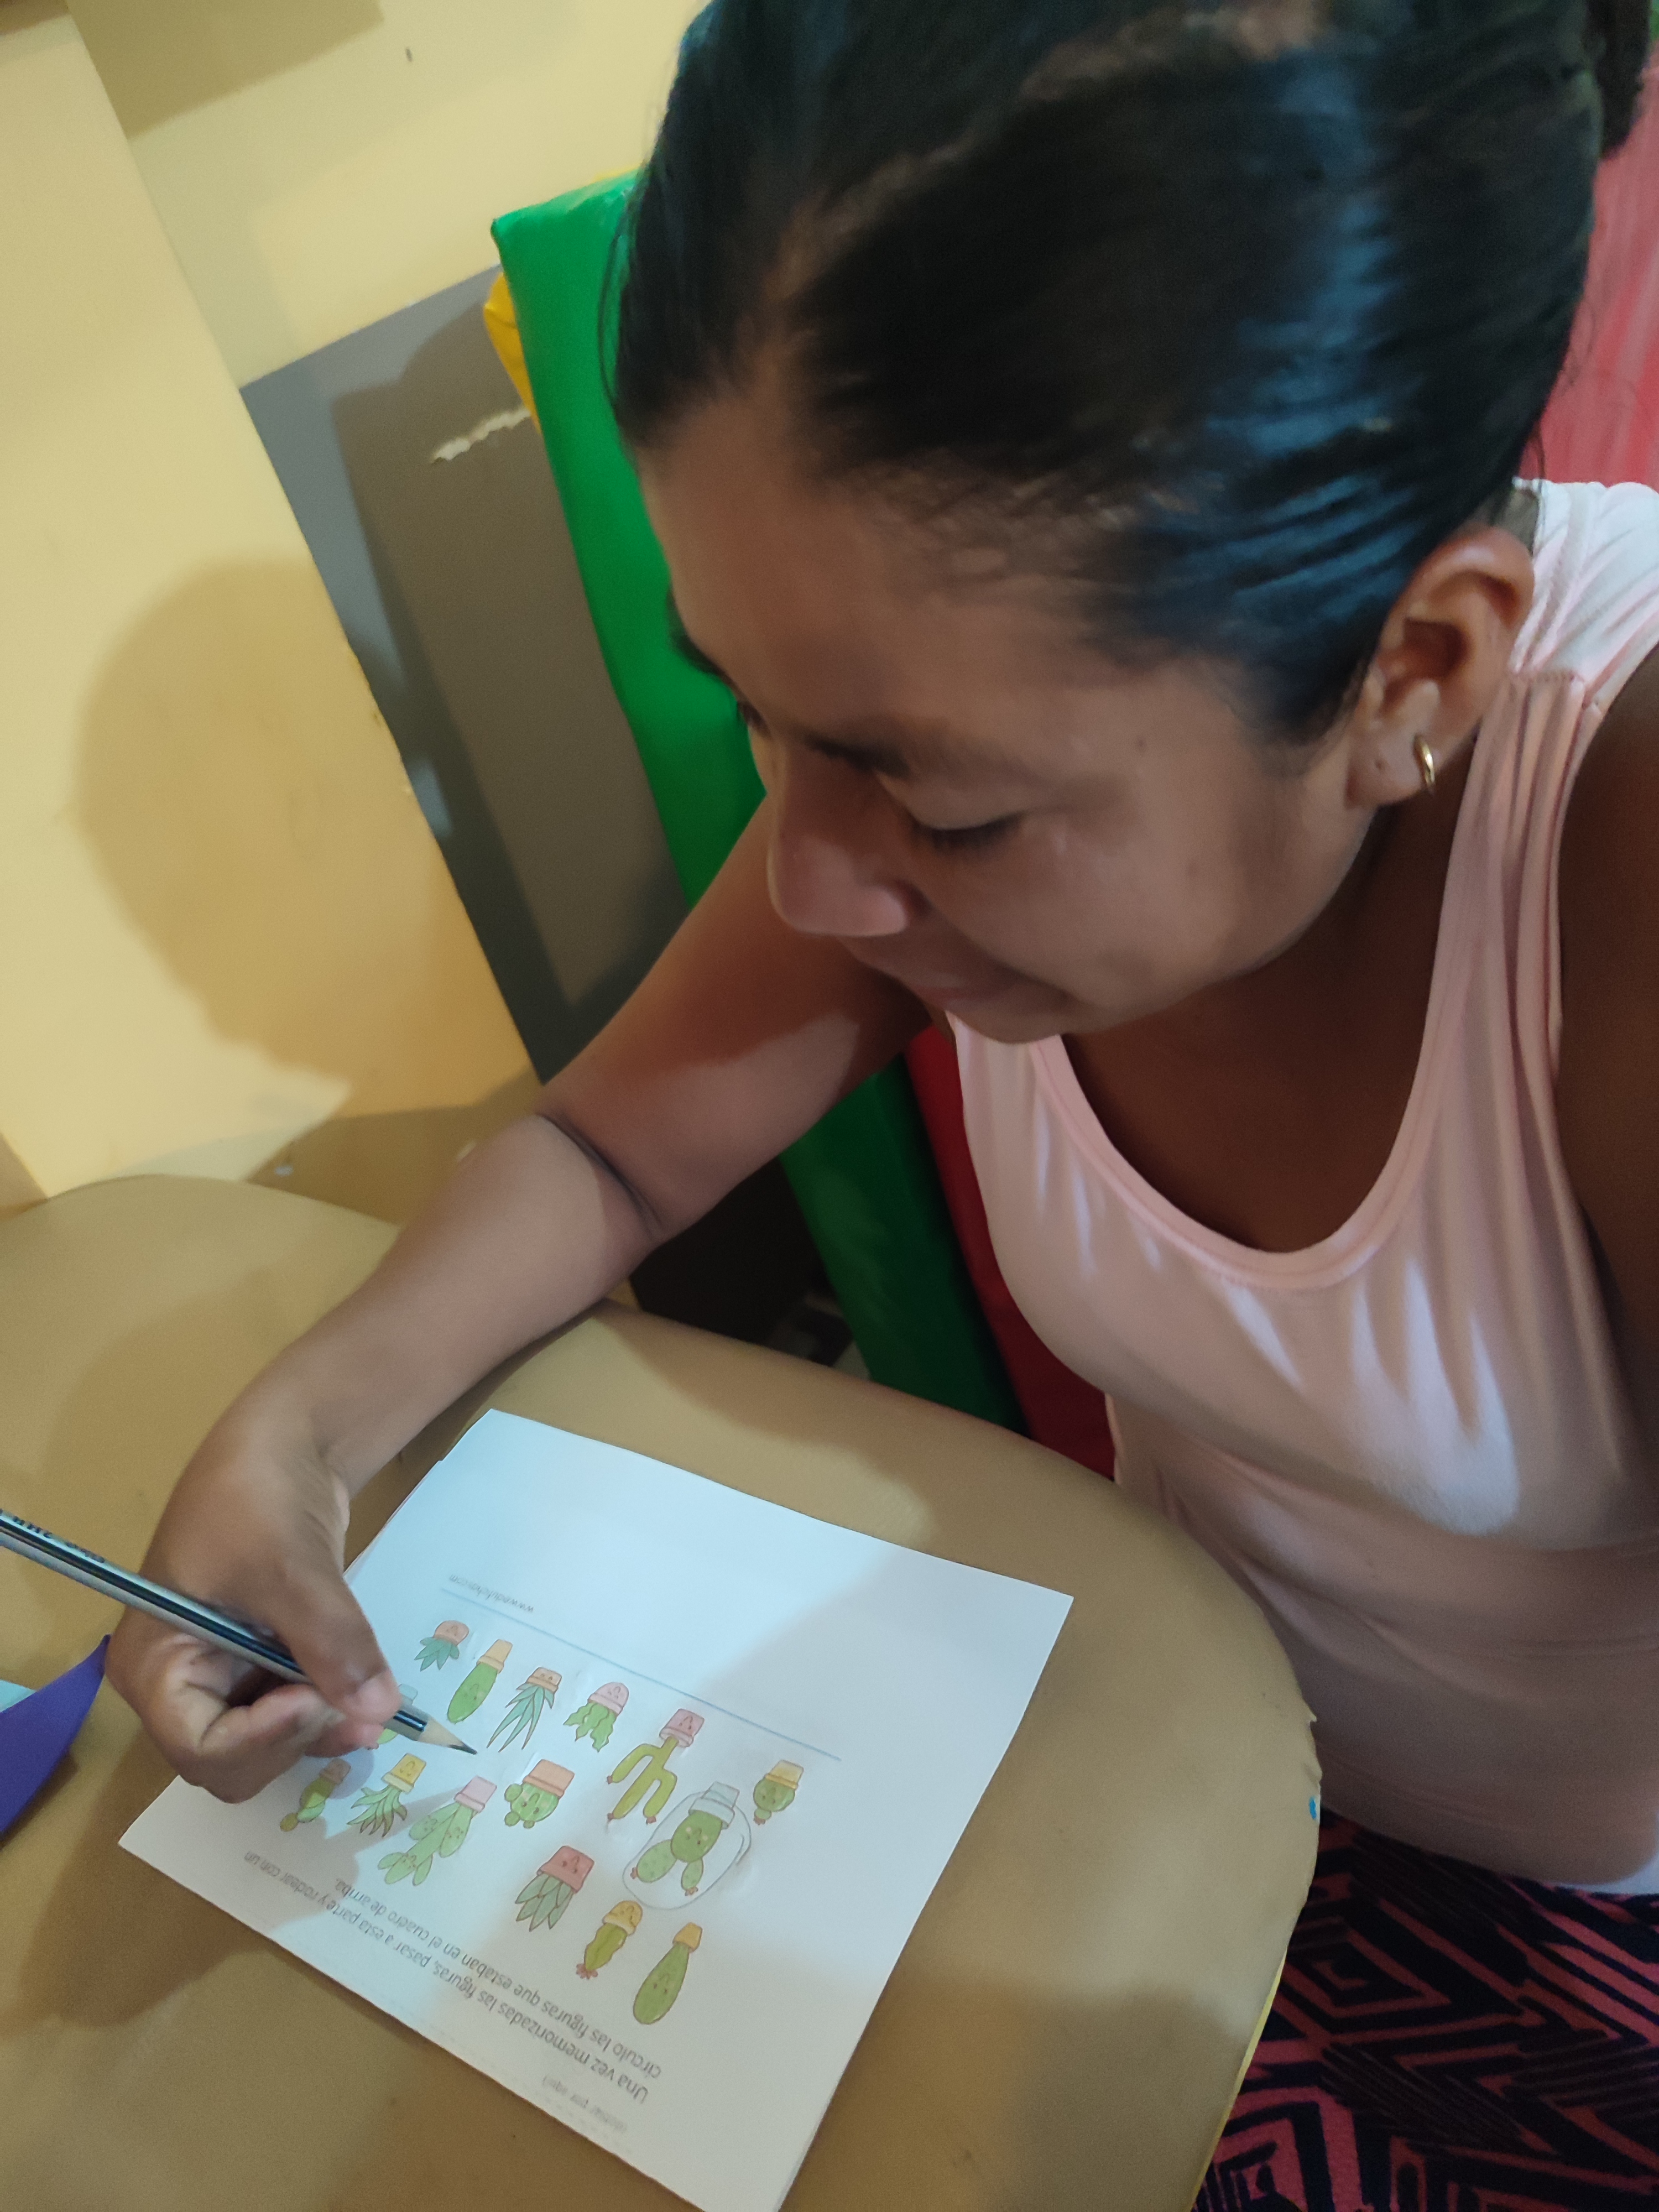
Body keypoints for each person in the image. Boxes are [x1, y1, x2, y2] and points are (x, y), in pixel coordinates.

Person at [111, 0, 1658, 2196]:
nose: (812, 883)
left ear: (1418, 672)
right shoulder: (959, 767)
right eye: (758, 715)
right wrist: (290, 1438)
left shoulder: (1612, 860)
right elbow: (608, 1142)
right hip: (1174, 1770)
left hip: (1568, 1940)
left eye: (944, 800)